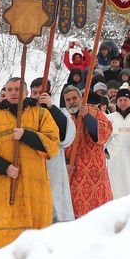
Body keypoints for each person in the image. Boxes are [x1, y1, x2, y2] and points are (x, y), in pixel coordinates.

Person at [0, 77, 60, 249]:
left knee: (34, 242)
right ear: (5, 93)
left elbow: (53, 143)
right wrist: (5, 167)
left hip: (34, 186)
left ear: (26, 93)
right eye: (10, 89)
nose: (13, 93)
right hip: (3, 187)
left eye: (18, 89)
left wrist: (27, 135)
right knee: (4, 241)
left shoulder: (41, 114)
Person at [62, 86, 112, 217]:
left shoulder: (93, 112)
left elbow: (104, 133)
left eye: (74, 98)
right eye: (68, 100)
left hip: (95, 173)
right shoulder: (65, 119)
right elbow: (60, 146)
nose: (71, 102)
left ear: (81, 99)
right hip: (74, 173)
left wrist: (87, 117)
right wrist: (65, 163)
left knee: (98, 214)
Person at [31, 78, 75, 223]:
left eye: (40, 93)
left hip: (53, 165)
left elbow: (66, 135)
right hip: (32, 165)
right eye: (34, 93)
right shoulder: (26, 113)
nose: (37, 96)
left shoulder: (59, 112)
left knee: (55, 204)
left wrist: (50, 107)